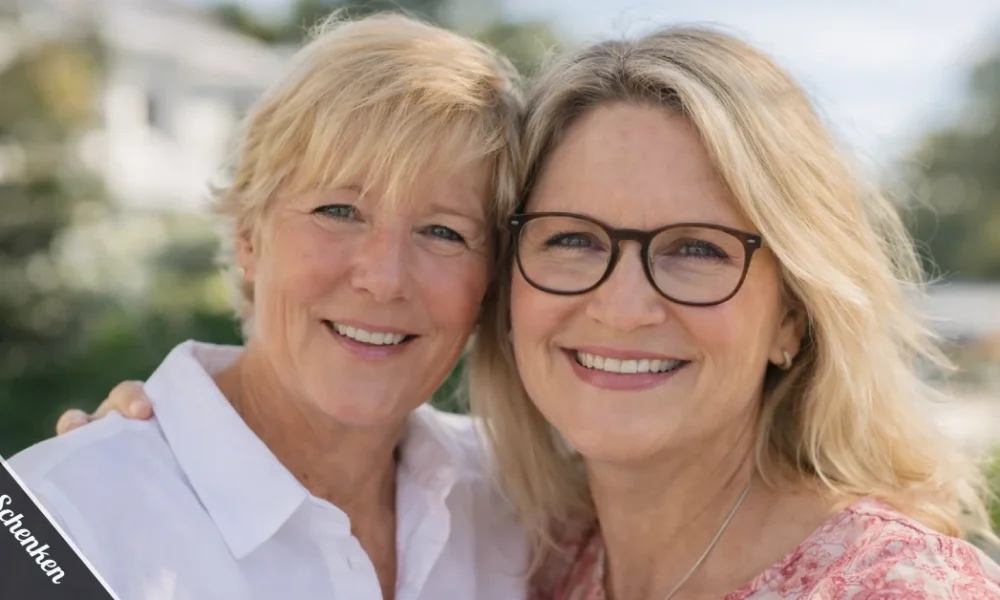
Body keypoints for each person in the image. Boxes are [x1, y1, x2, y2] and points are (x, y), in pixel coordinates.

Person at [55, 24, 1000, 600]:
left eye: (696, 249)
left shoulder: (891, 590)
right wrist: (110, 478)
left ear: (796, 312)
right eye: (576, 239)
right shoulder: (542, 539)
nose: (623, 305)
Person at [9, 13, 528, 600]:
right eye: (339, 211)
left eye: (443, 231)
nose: (384, 280)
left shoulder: (522, 505)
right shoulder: (60, 521)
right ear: (249, 238)